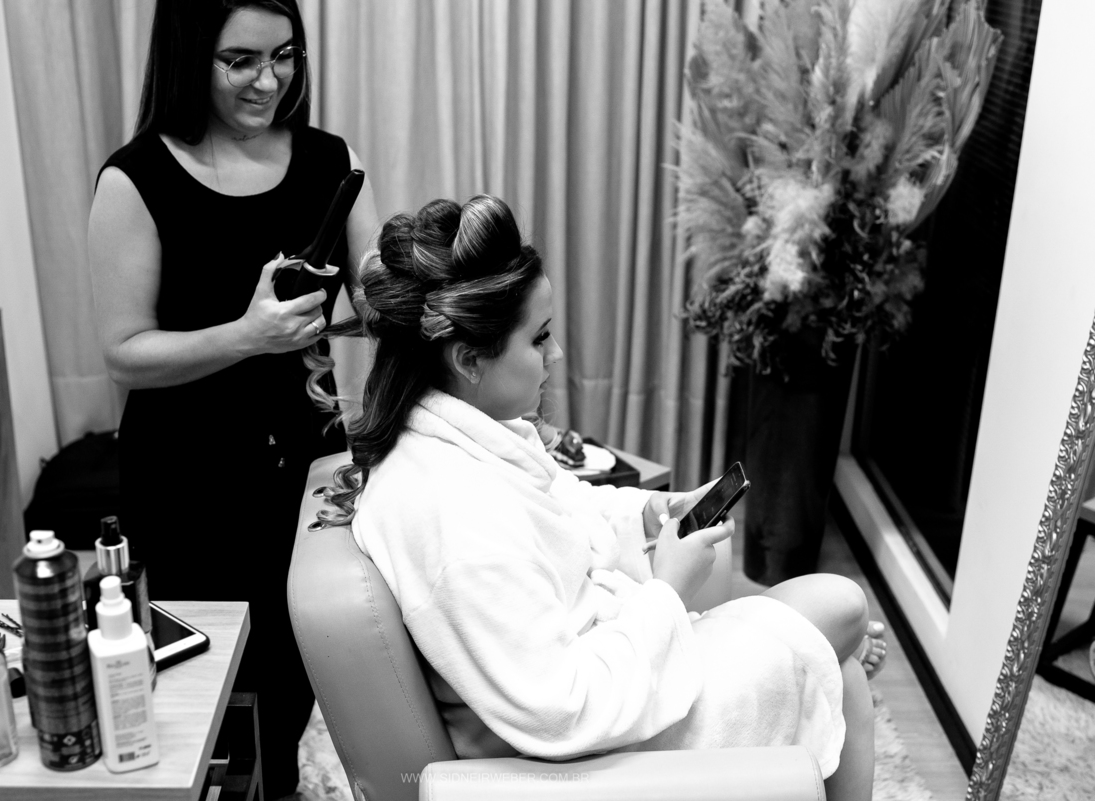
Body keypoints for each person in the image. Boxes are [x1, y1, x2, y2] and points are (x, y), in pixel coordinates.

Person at [311, 195, 887, 801]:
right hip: (591, 758)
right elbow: (565, 712)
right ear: (469, 359)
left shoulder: (462, 437)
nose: (556, 355)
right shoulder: (455, 521)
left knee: (838, 669)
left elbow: (564, 505)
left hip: (616, 678)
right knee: (840, 606)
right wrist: (668, 590)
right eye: (539, 339)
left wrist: (648, 514)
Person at [87, 1, 378, 795]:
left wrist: (387, 298)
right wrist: (248, 335)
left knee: (297, 671)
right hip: (188, 478)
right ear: (190, 56)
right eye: (240, 60)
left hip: (309, 465)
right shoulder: (136, 180)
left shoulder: (331, 162)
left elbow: (372, 293)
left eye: (284, 55)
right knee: (213, 685)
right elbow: (123, 353)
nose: (268, 80)